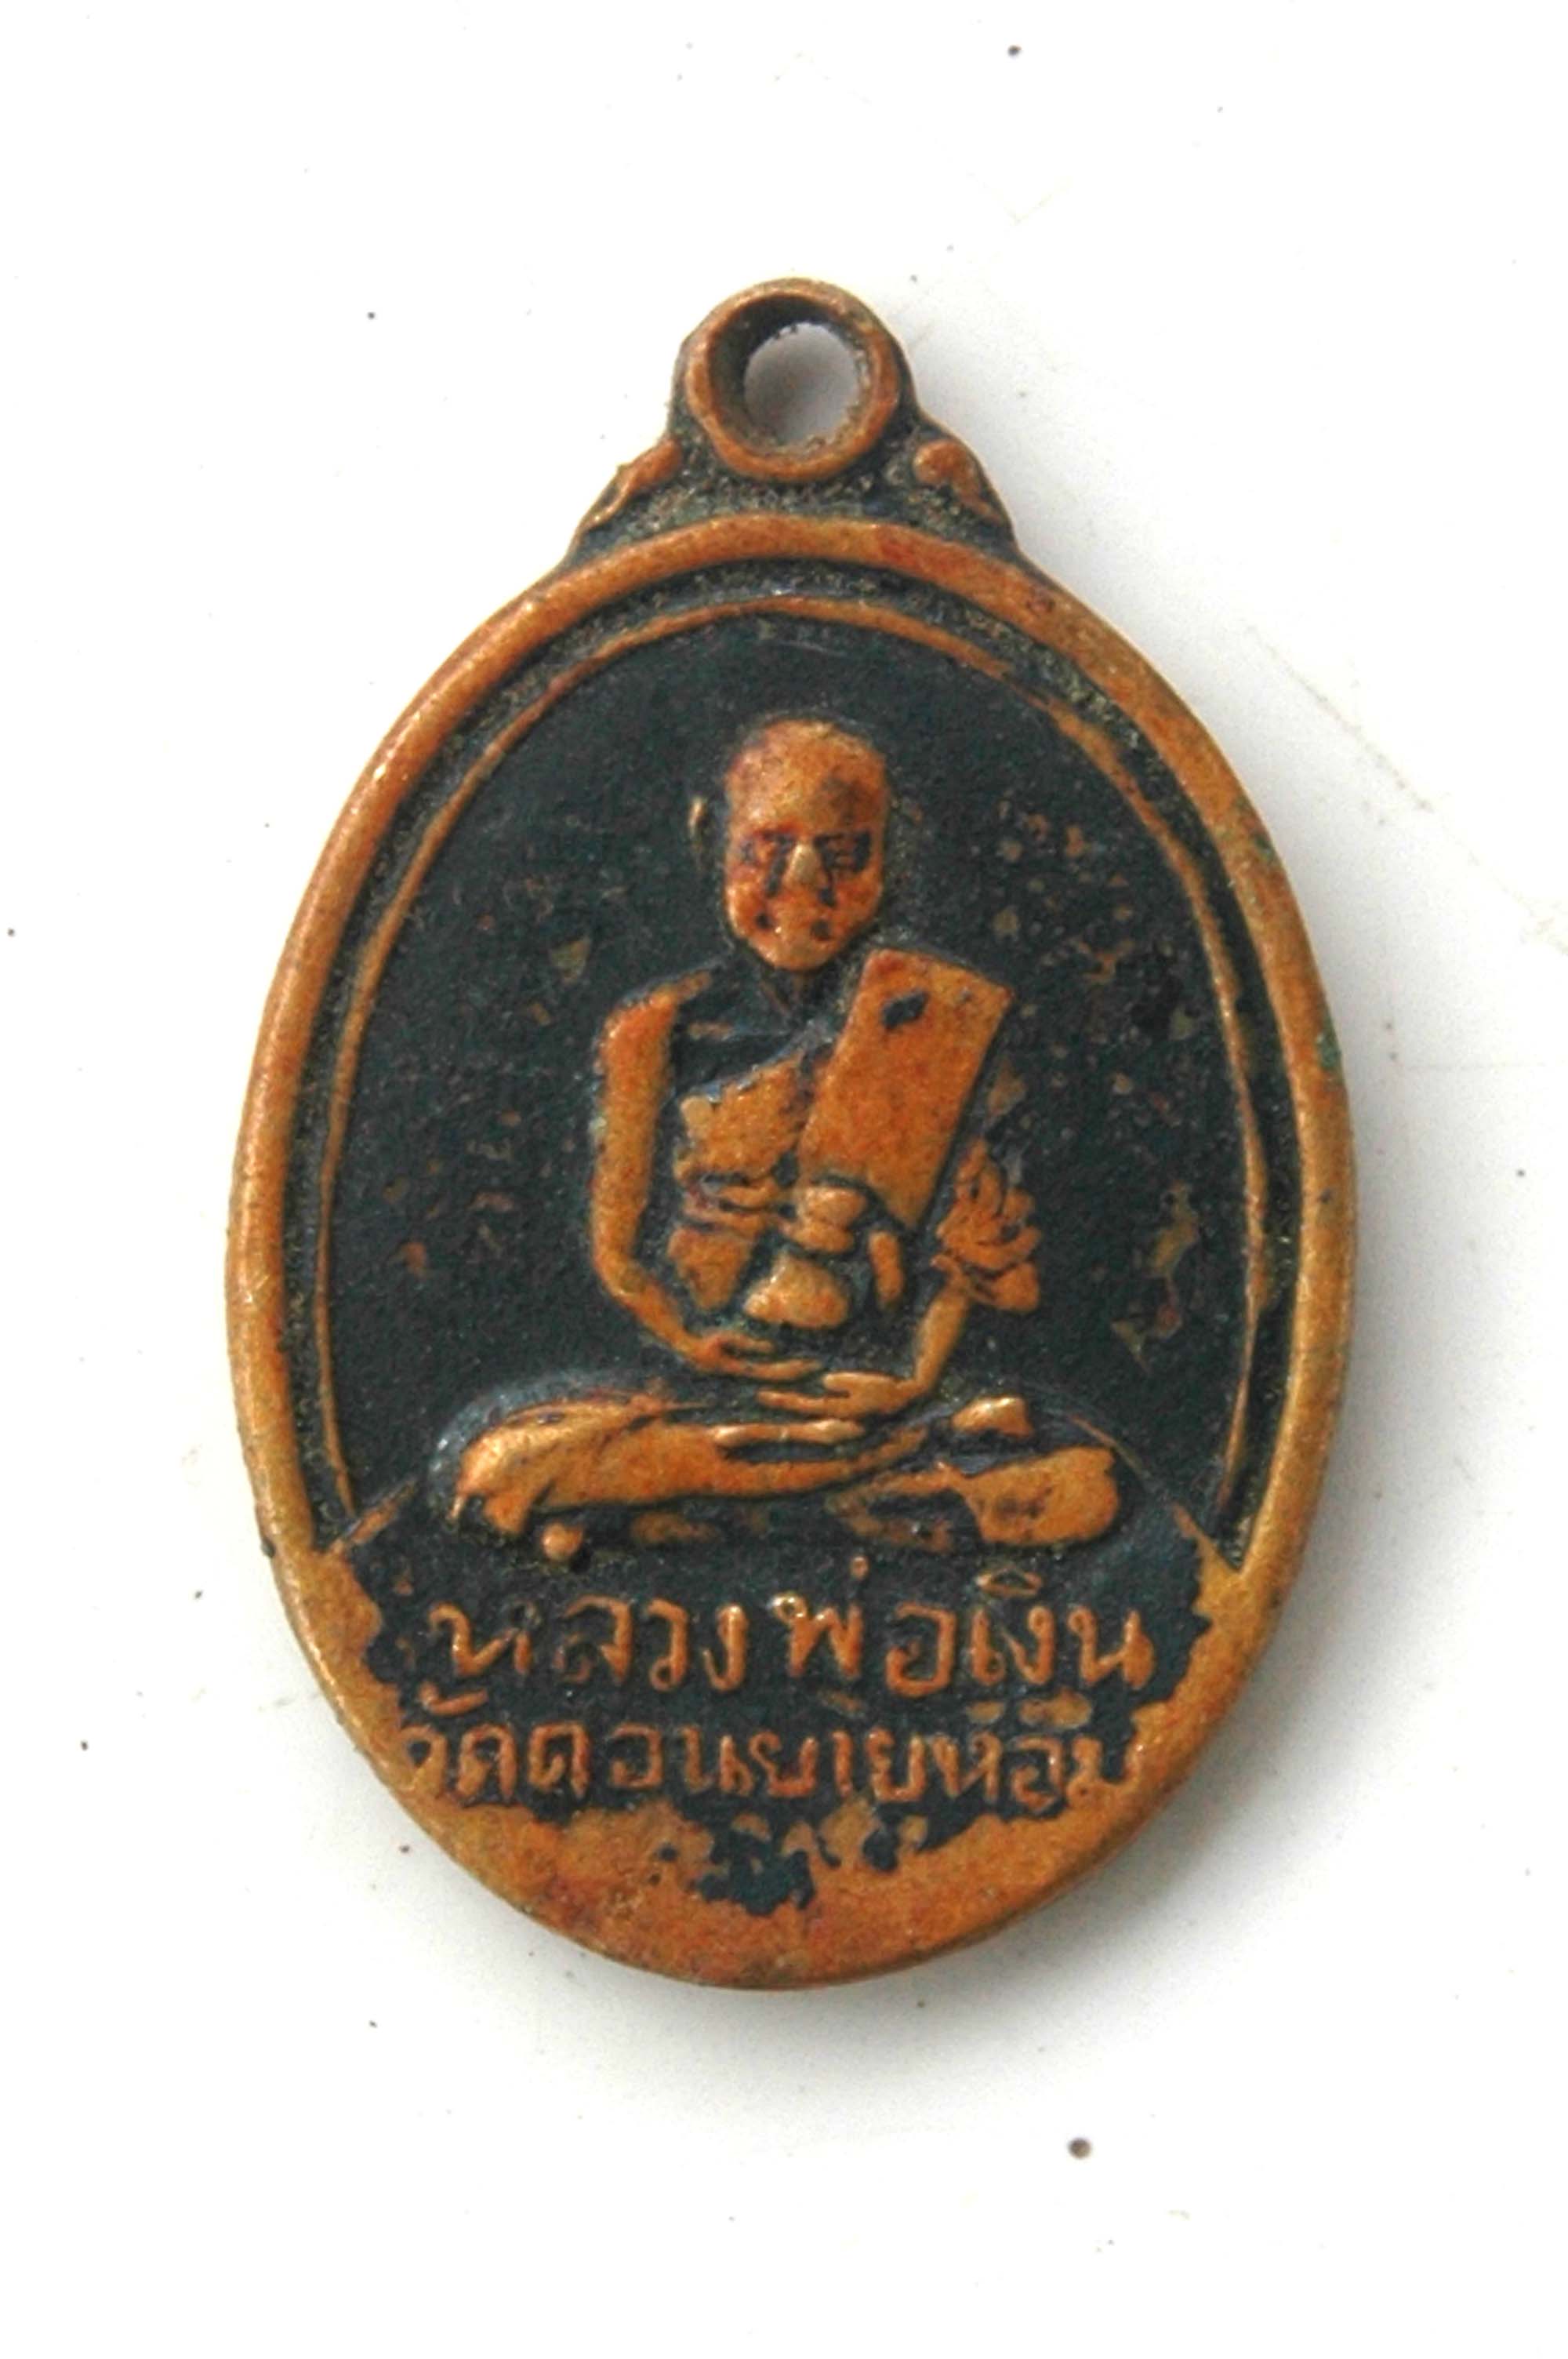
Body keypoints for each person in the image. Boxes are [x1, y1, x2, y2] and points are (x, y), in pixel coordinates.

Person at [442, 715, 1134, 1562]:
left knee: (1089, 1483)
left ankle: (697, 1520)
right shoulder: (653, 1033)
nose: (803, 885)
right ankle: (845, 1507)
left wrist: (912, 1378)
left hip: (870, 1396)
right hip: (699, 1392)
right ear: (713, 840)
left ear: (890, 854)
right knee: (496, 1470)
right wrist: (691, 1341)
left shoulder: (933, 1021)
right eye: (764, 851)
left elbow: (975, 1255)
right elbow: (619, 1258)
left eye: (843, 856)